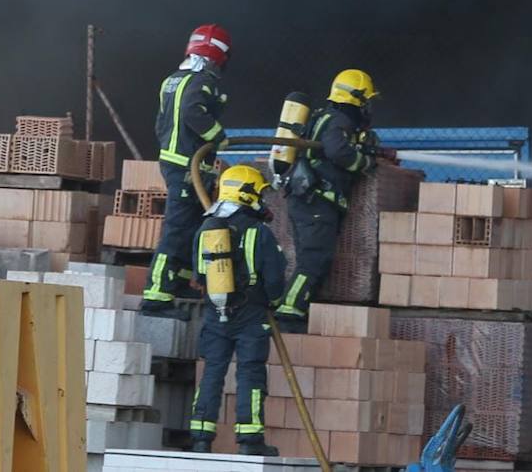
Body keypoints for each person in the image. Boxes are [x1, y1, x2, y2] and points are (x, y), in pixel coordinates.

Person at [273, 68, 389, 332]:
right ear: (357, 98)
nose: (367, 106)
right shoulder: (339, 120)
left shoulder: (326, 118)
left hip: (308, 201)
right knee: (314, 260)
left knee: (310, 260)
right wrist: (365, 163)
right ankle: (289, 314)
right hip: (316, 202)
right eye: (366, 100)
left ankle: (293, 311)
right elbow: (338, 151)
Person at [188, 164, 287, 456]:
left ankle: (201, 439)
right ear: (246, 194)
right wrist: (273, 304)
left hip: (215, 312)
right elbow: (275, 280)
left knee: (212, 373)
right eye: (259, 193)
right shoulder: (259, 232)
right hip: (252, 316)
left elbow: (198, 274)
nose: (262, 200)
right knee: (250, 374)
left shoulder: (206, 227)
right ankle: (250, 442)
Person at [142, 23, 232, 317]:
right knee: (177, 231)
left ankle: (177, 285)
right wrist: (218, 135)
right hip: (186, 167)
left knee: (191, 228)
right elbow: (194, 113)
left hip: (178, 163)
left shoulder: (173, 79)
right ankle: (156, 297)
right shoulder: (202, 82)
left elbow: (160, 123)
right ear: (219, 55)